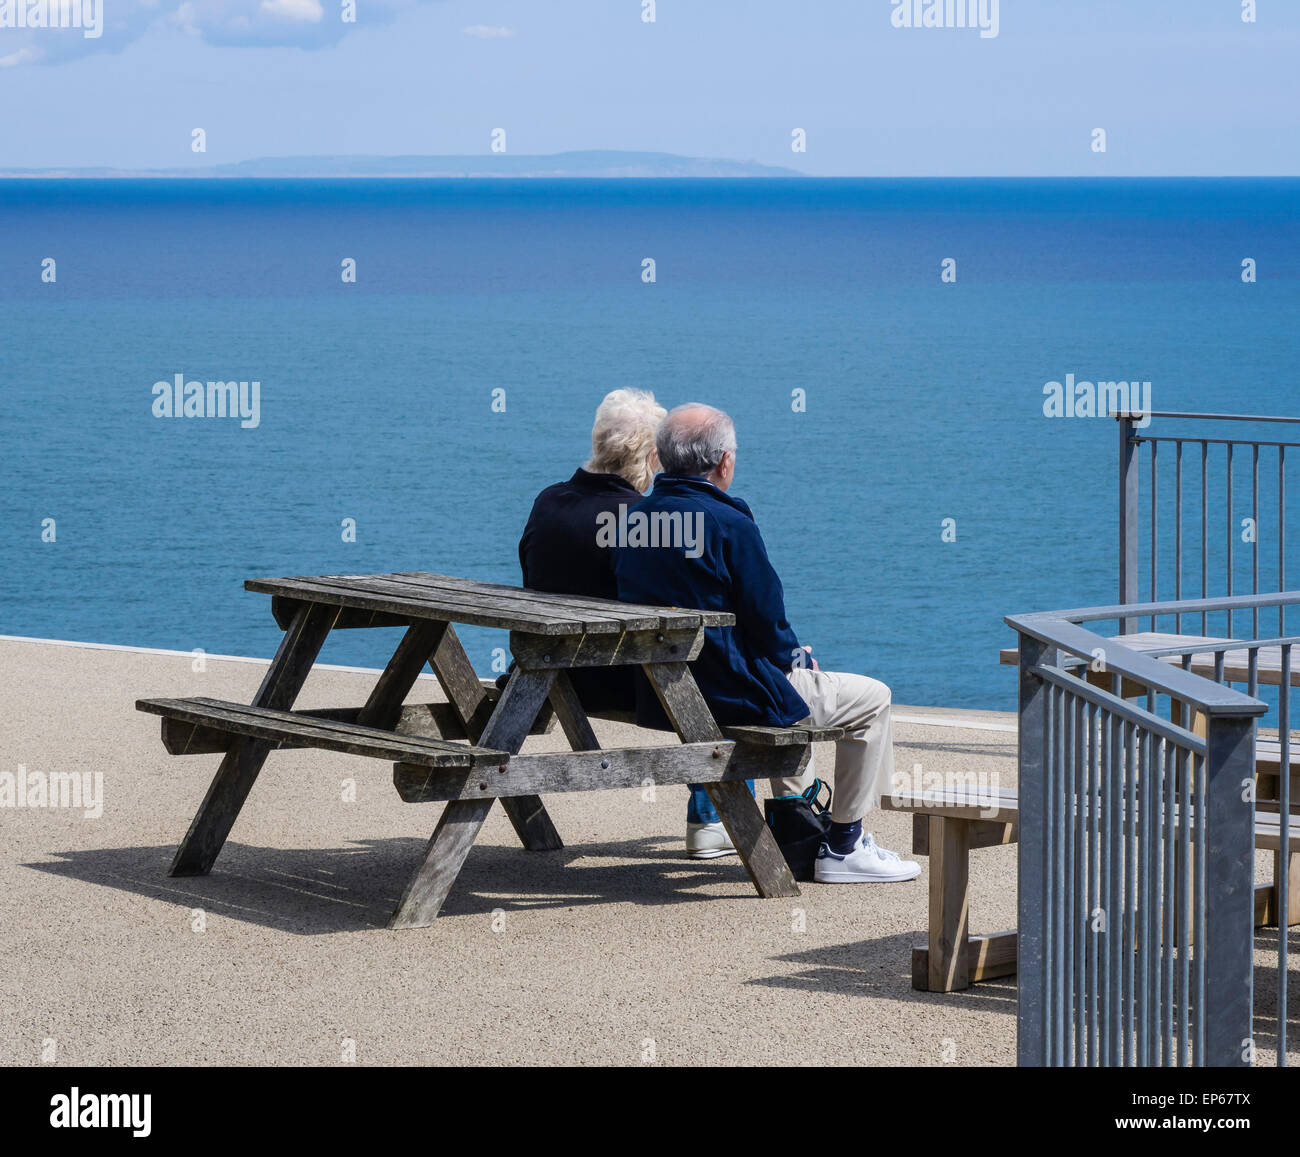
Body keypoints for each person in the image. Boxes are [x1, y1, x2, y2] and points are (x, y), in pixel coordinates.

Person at [612, 403, 919, 882]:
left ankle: (804, 831)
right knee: (872, 699)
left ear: (662, 457)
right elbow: (768, 623)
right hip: (730, 694)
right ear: (724, 463)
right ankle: (845, 846)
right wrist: (798, 656)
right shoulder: (729, 523)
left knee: (800, 684)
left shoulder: (634, 519)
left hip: (663, 694)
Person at [518, 388, 666, 714]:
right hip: (619, 684)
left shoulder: (548, 501)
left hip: (545, 671)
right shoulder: (645, 519)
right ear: (652, 456)